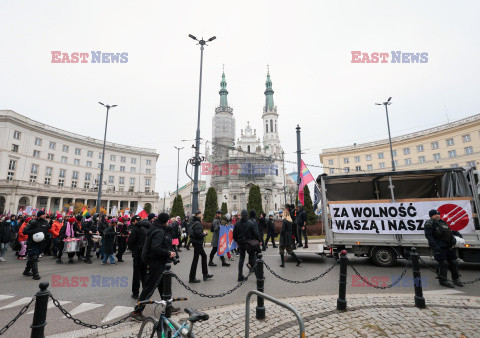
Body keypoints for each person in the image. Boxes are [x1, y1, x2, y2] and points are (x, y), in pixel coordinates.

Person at [131, 213, 177, 322]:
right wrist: (168, 253)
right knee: (149, 287)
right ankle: (137, 311)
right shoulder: (159, 231)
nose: (169, 222)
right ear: (165, 221)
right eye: (168, 220)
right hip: (155, 261)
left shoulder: (156, 227)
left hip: (155, 260)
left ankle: (168, 306)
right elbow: (156, 247)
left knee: (163, 285)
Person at [424, 209, 463, 288]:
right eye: (435, 214)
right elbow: (429, 236)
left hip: (448, 246)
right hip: (439, 247)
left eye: (438, 214)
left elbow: (447, 232)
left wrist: (455, 233)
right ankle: (443, 281)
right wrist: (435, 247)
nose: (437, 215)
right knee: (443, 263)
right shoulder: (429, 223)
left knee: (453, 262)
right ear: (431, 216)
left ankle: (456, 279)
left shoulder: (442, 222)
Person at [233, 210, 260, 282]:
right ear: (247, 215)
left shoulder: (237, 223)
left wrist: (237, 241)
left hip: (241, 243)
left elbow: (234, 235)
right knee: (253, 258)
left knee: (241, 259)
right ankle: (258, 276)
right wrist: (258, 240)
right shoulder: (250, 223)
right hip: (249, 243)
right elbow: (255, 233)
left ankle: (240, 276)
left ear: (241, 215)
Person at [23, 211, 50, 280]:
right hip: (32, 242)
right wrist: (35, 231)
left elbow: (47, 230)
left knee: (32, 257)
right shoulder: (33, 222)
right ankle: (36, 274)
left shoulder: (46, 222)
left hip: (41, 243)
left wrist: (47, 234)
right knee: (34, 257)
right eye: (43, 214)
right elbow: (24, 231)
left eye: (45, 214)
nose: (44, 215)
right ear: (39, 215)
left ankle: (26, 271)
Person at [188, 210, 213, 283]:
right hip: (197, 243)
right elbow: (198, 234)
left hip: (196, 243)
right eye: (202, 214)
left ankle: (205, 274)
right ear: (199, 215)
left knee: (204, 256)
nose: (203, 215)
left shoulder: (194, 222)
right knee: (195, 260)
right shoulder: (198, 223)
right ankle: (192, 278)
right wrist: (204, 233)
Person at [127, 215, 147, 299]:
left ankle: (135, 293)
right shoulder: (146, 228)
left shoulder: (135, 229)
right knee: (144, 274)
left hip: (138, 254)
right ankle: (146, 292)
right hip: (145, 254)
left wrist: (133, 249)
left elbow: (130, 242)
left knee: (136, 274)